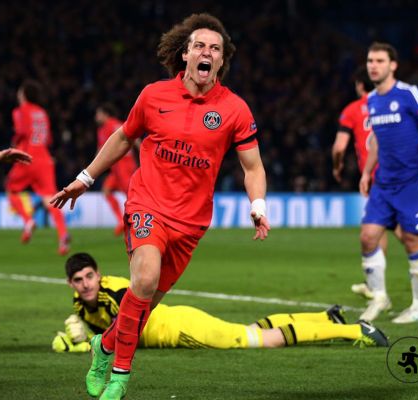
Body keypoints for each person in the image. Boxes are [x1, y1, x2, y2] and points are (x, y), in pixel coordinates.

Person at [50, 13, 271, 399]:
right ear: (185, 54)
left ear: (222, 61)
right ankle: (119, 375)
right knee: (145, 279)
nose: (207, 53)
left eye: (215, 49)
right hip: (148, 205)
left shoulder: (235, 109)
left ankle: (103, 346)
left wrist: (259, 204)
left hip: (191, 223)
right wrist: (85, 179)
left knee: (144, 305)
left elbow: (252, 165)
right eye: (200, 46)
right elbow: (123, 138)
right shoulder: (154, 95)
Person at [53, 253, 388, 354]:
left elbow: (123, 332)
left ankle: (354, 331)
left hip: (180, 330)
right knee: (254, 329)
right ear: (71, 283)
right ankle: (323, 318)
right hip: (178, 320)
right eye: (79, 280)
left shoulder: (117, 292)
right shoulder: (81, 303)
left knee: (259, 340)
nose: (85, 285)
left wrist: (84, 345)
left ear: (99, 275)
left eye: (89, 277)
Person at [331, 67, 418, 300]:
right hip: (395, 175)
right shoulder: (379, 103)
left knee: (390, 233)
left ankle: (377, 289)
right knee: (389, 231)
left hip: (386, 178)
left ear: (358, 85)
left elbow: (339, 147)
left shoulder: (355, 109)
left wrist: (337, 166)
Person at [357, 42, 418, 324]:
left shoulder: (408, 93)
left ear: (393, 65)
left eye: (380, 61)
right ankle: (380, 297)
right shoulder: (372, 99)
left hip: (411, 183)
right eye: (370, 60)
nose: (373, 65)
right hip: (383, 183)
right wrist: (367, 172)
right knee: (368, 237)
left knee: (411, 241)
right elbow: (377, 142)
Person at [5, 80, 70, 255]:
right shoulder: (42, 113)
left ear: (24, 95)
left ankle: (28, 221)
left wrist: (13, 146)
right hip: (45, 159)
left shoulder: (19, 111)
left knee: (11, 191)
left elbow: (22, 132)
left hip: (26, 157)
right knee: (51, 199)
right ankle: (63, 235)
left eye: (20, 93)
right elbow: (48, 140)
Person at [95, 103, 138, 236]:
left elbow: (102, 150)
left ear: (105, 114)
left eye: (98, 114)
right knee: (106, 190)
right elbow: (133, 137)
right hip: (120, 166)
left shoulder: (107, 127)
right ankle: (120, 221)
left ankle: (136, 223)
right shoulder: (119, 123)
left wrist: (93, 166)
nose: (96, 117)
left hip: (122, 165)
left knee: (131, 196)